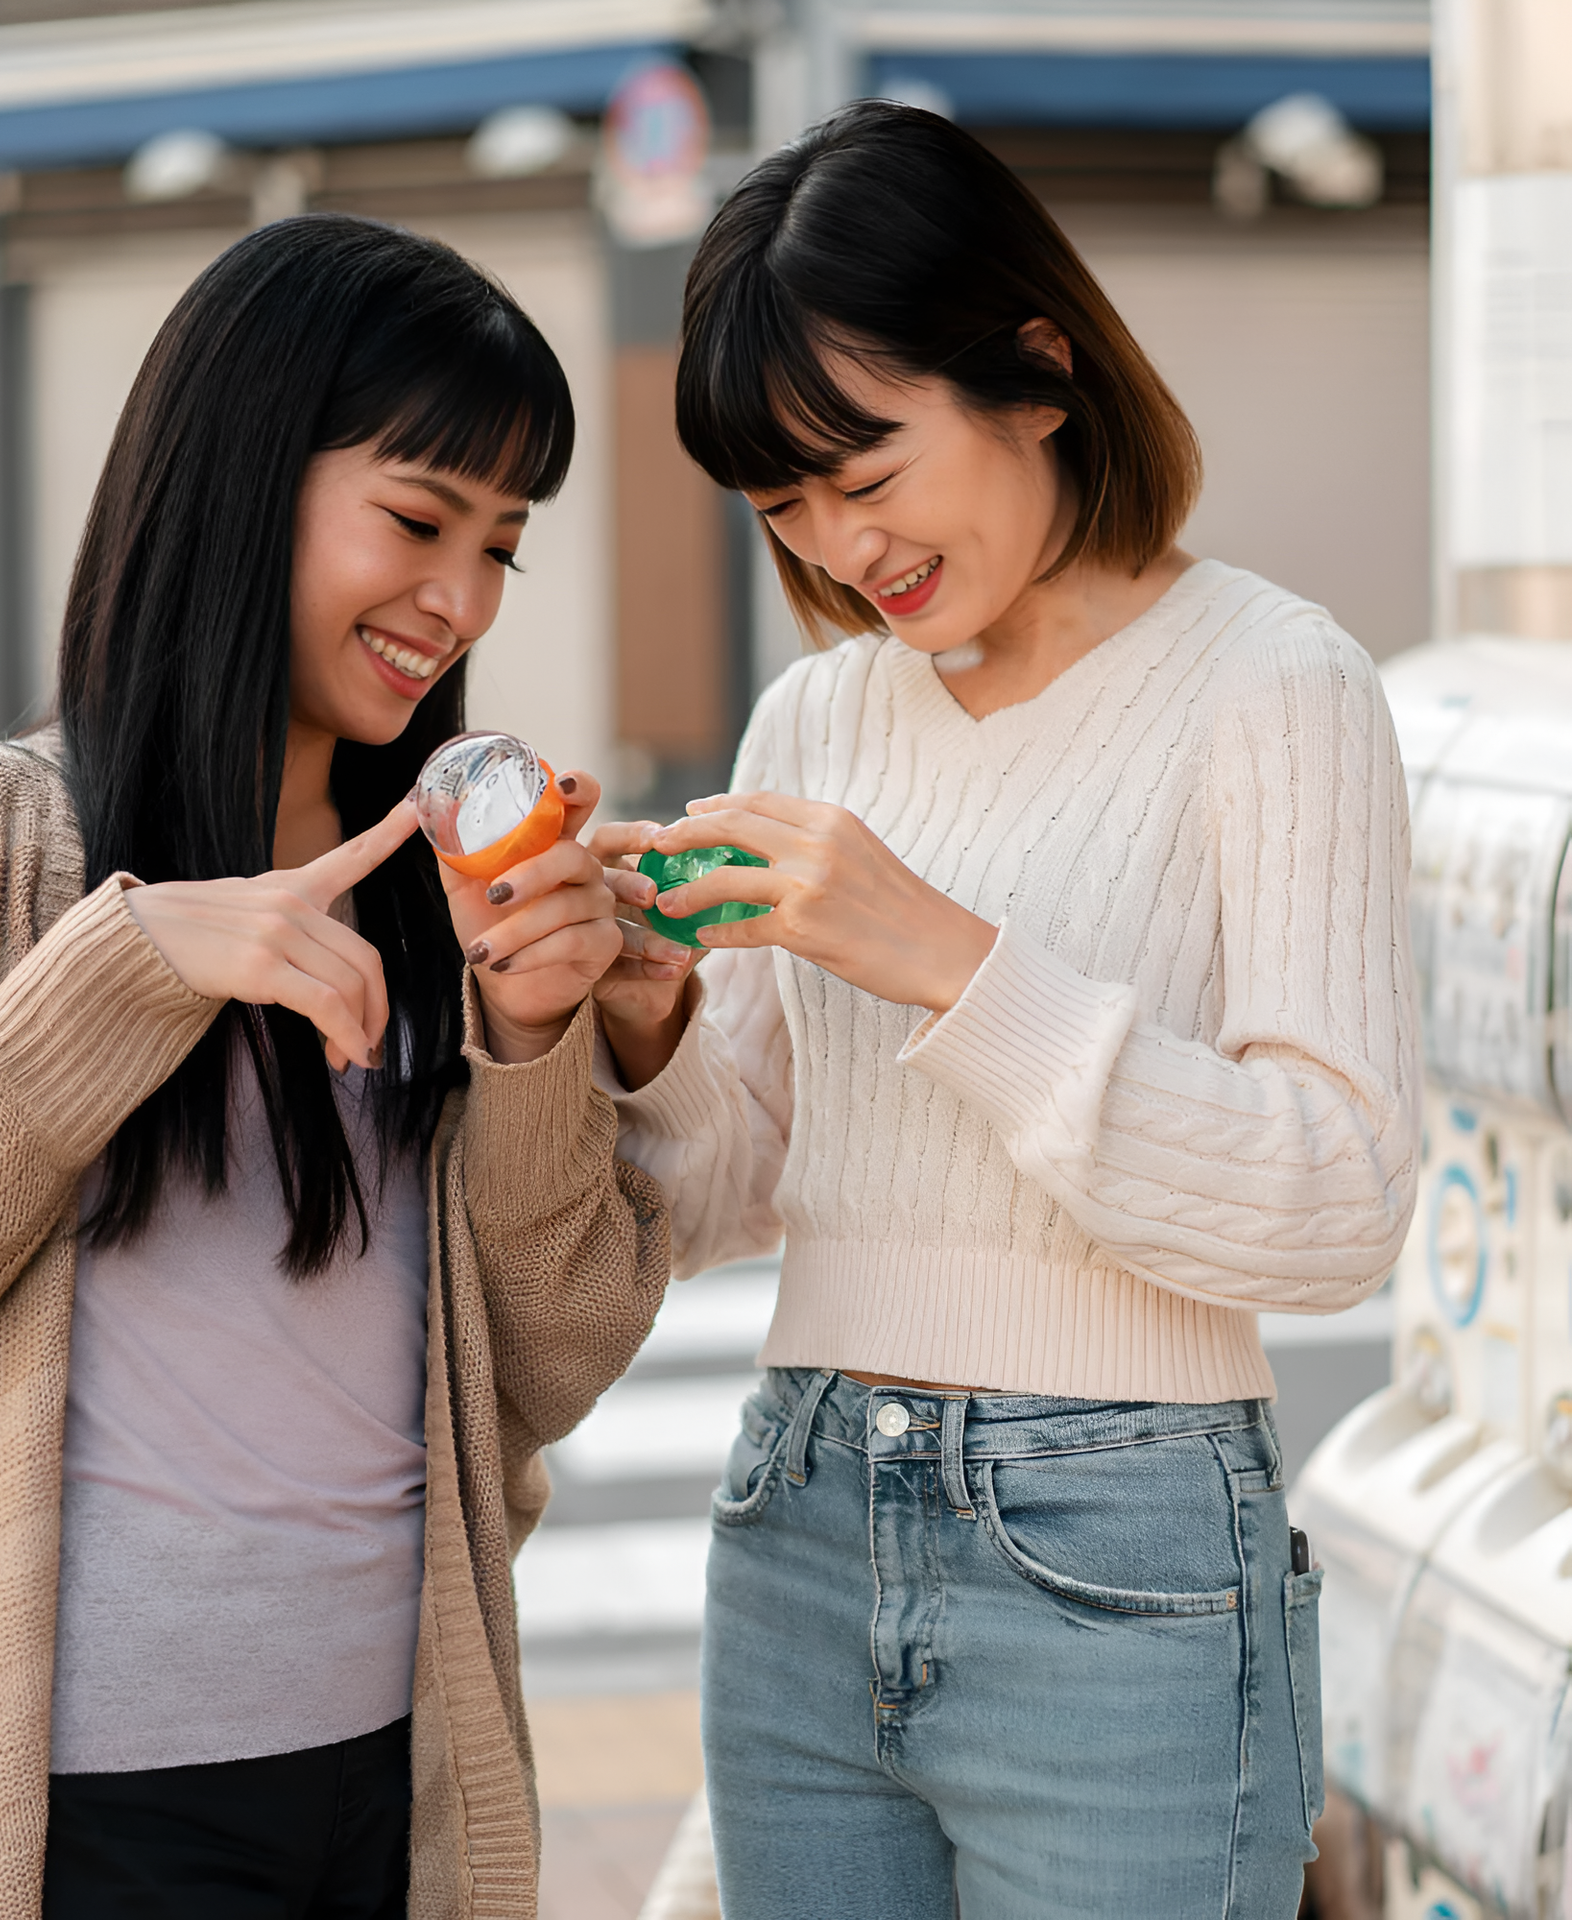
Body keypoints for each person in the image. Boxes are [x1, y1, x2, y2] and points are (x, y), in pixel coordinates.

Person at [0, 216, 669, 1920]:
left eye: (500, 547)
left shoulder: (432, 893)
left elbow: (546, 1361)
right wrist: (128, 968)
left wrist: (539, 1044)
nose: (456, 600)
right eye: (415, 517)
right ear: (244, 476)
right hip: (86, 1798)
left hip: (397, 1774)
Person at [590, 103, 1417, 1920]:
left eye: (866, 473)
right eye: (784, 505)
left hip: (1124, 1556)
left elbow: (1342, 1199)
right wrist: (645, 1030)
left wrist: (953, 962)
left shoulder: (1277, 684)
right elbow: (730, 1195)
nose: (838, 545)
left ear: (1035, 370)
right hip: (800, 1517)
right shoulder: (818, 721)